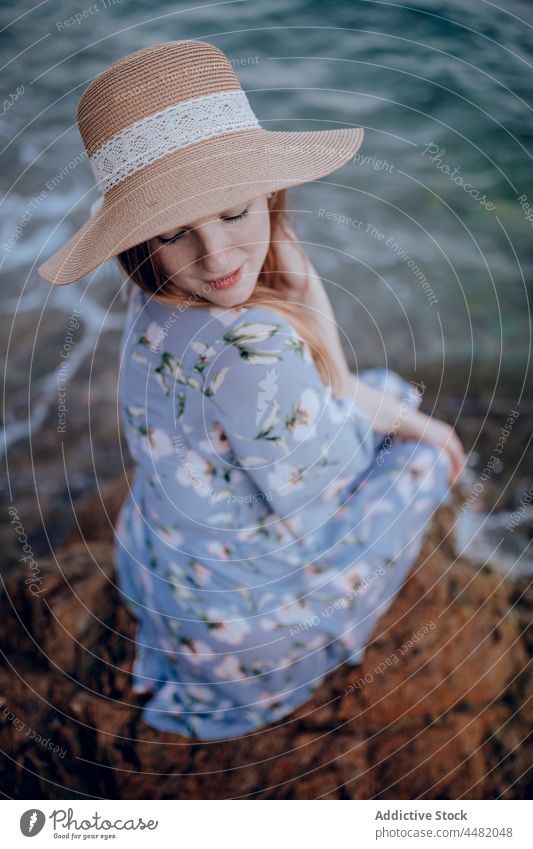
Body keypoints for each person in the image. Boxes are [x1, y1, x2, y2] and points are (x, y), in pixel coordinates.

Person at [38, 39, 466, 741]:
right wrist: (419, 429)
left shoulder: (159, 294)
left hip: (161, 559)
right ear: (146, 240)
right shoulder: (257, 348)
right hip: (243, 631)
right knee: (421, 447)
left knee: (373, 395)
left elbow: (306, 387)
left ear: (269, 194)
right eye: (177, 232)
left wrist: (308, 339)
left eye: (234, 213)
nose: (217, 259)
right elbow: (316, 488)